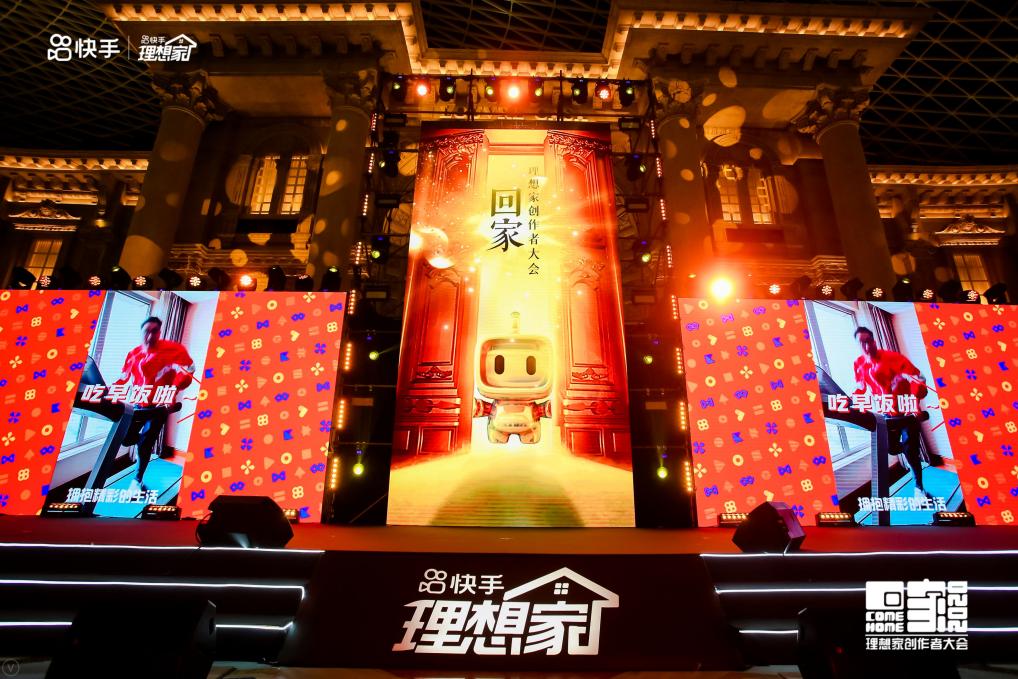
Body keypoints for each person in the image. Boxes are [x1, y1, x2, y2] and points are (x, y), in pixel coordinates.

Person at [115, 316, 195, 492]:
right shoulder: (133, 354)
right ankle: (143, 443)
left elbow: (190, 368)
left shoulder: (173, 349)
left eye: (154, 331)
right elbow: (123, 377)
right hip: (138, 404)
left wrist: (174, 388)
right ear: (141, 333)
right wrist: (109, 392)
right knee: (126, 439)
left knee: (145, 444)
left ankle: (137, 480)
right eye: (147, 331)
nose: (150, 336)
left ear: (159, 332)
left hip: (158, 407)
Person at [852, 326, 931, 499]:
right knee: (892, 449)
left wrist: (915, 401)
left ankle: (919, 488)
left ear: (874, 341)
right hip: (887, 413)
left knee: (910, 452)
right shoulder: (859, 364)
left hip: (907, 413)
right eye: (862, 343)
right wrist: (852, 402)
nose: (866, 346)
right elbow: (860, 388)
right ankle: (911, 452)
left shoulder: (893, 358)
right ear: (858, 345)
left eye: (869, 342)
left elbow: (919, 378)